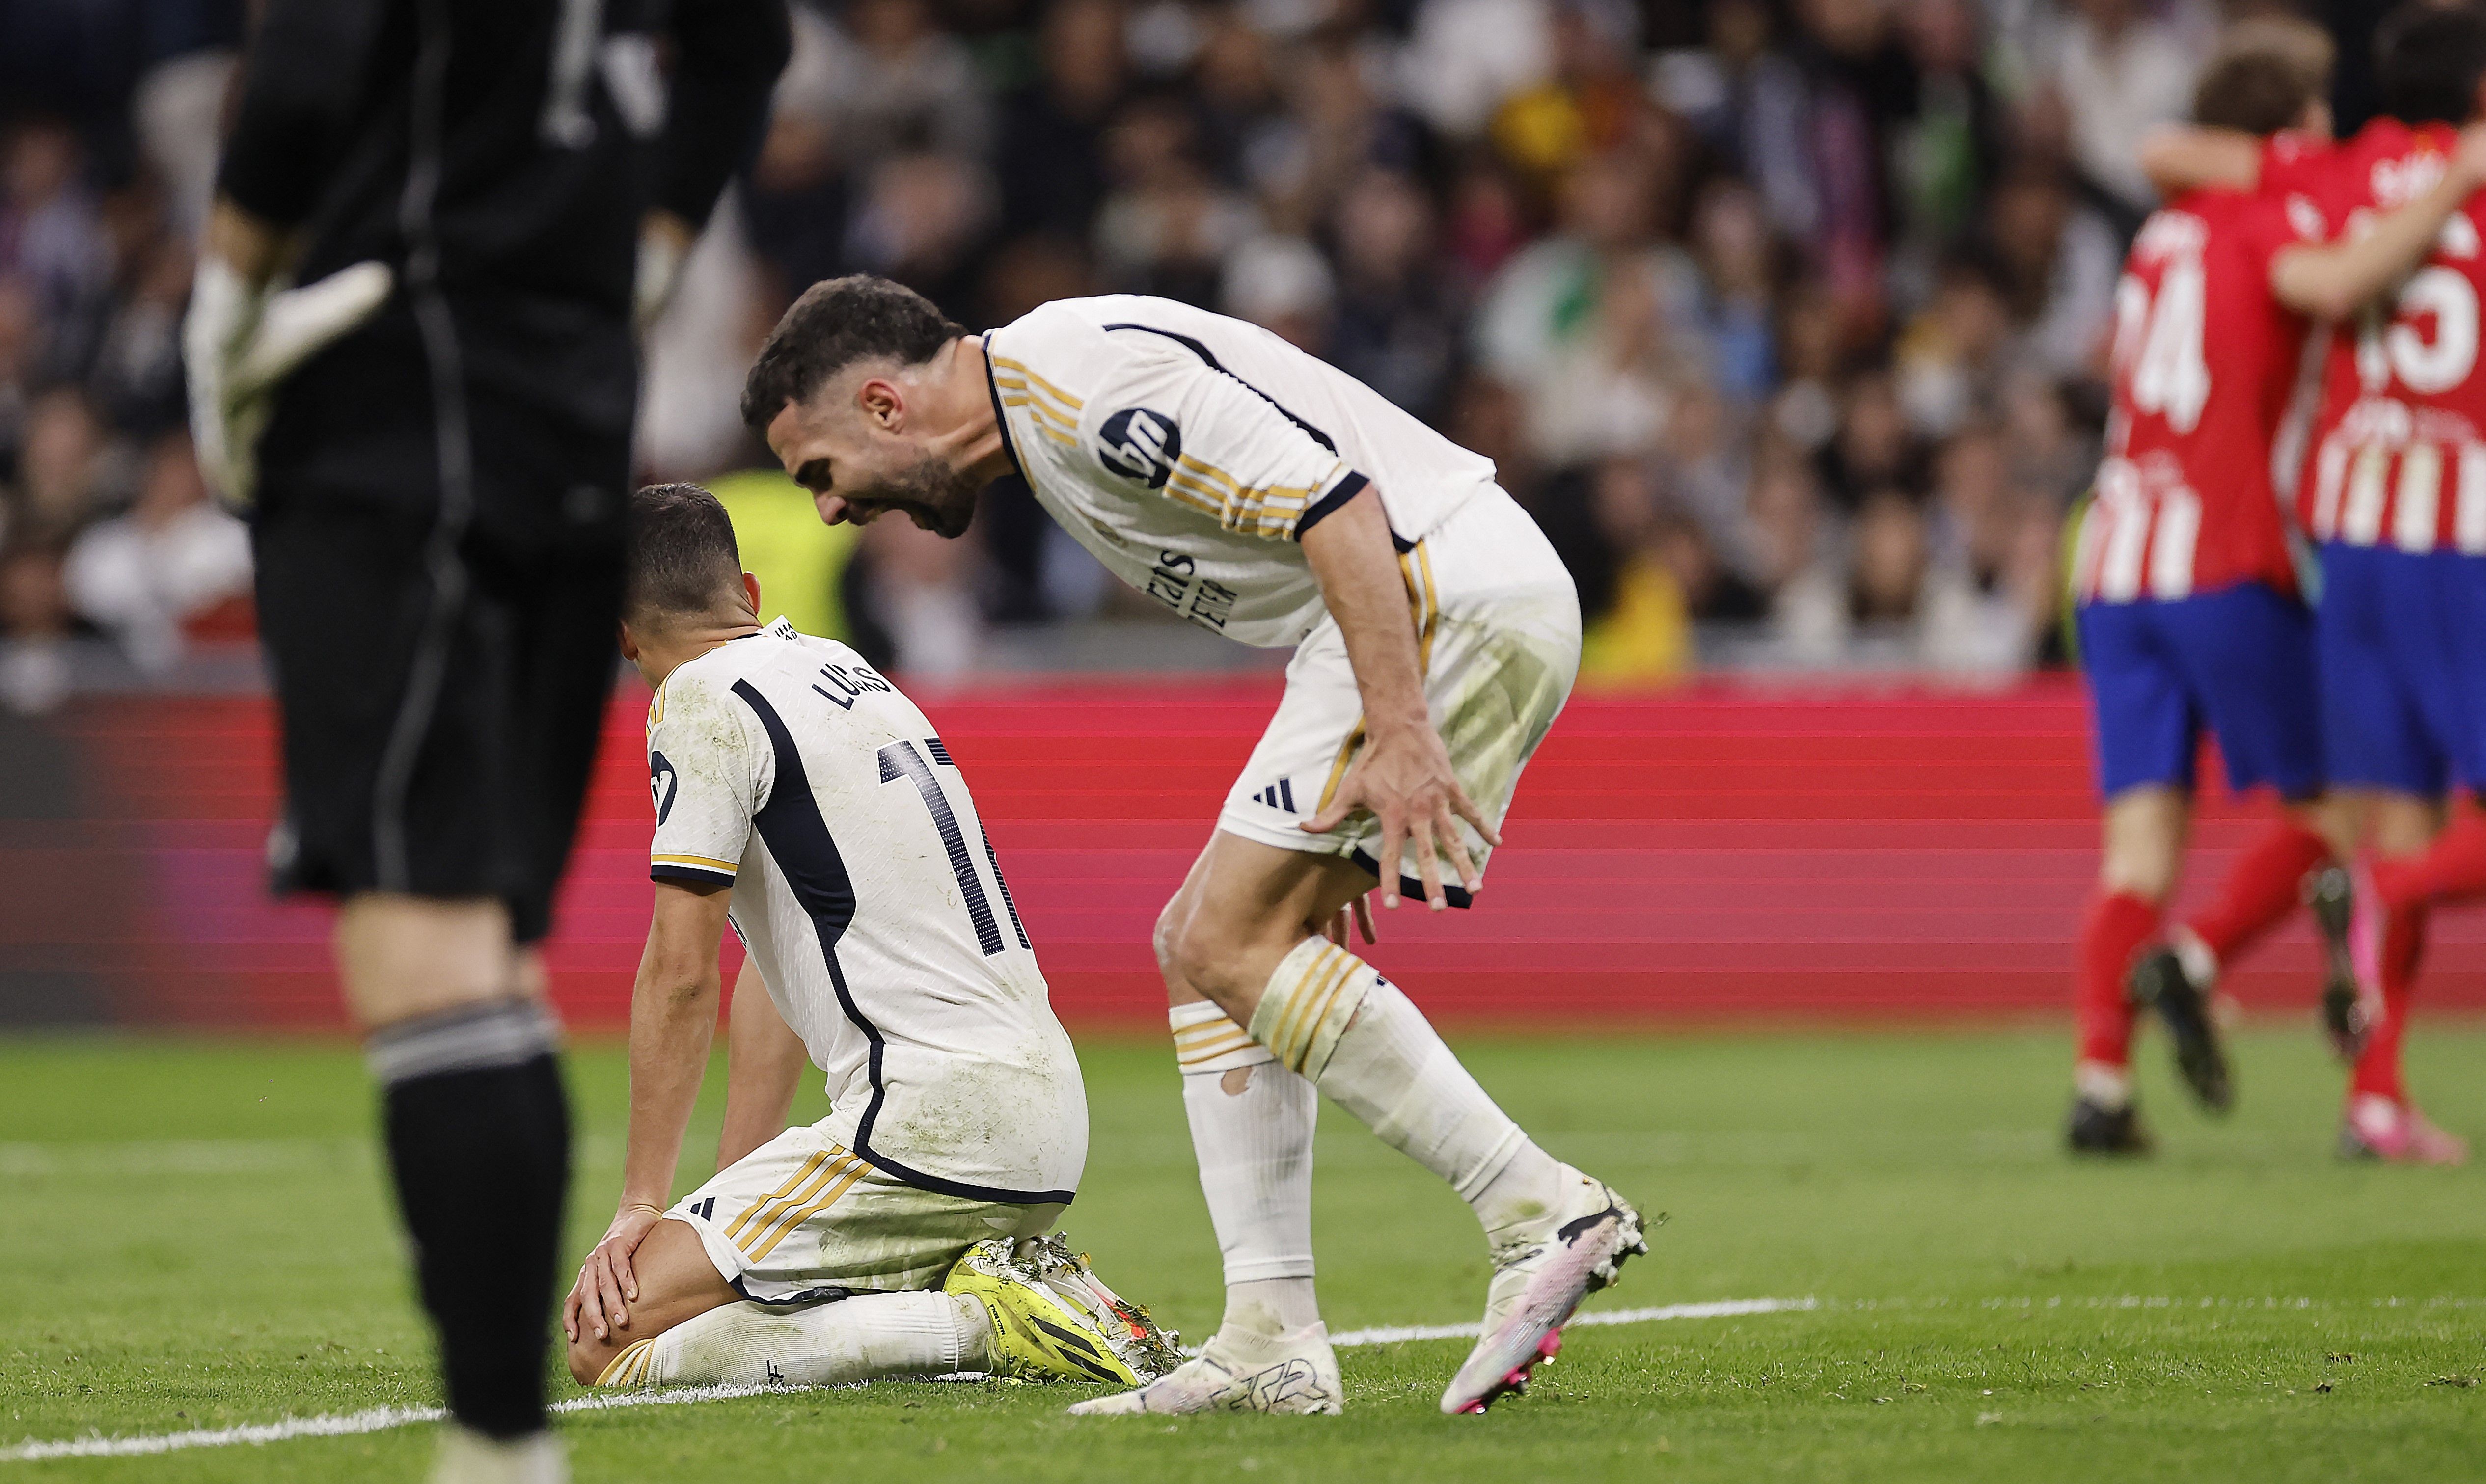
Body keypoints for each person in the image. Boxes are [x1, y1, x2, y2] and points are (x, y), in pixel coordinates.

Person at [738, 276, 1643, 1418]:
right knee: (1208, 947)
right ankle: (1270, 1334)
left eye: (819, 472)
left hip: (1432, 595)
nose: (829, 510)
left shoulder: (1082, 388)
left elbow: (1336, 504)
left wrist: (1400, 726)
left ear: (881, 406)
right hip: (1417, 606)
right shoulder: (1042, 415)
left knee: (1223, 934)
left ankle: (1538, 1207)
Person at [181, 4, 789, 1479]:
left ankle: (503, 1447)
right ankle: (502, 1442)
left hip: (392, 388)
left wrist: (224, 299)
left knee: (425, 949)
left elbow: (316, 62)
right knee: (485, 953)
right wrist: (637, 264)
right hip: (569, 419)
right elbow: (743, 43)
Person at [560, 482, 1176, 1395]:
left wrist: (642, 1205)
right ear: (753, 595)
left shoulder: (695, 699)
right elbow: (776, 971)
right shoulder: (849, 674)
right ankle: (1008, 1288)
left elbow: (679, 974)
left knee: (607, 1340)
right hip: (1040, 1112)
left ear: (620, 635)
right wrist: (730, 1200)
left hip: (924, 1130)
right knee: (724, 1293)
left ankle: (979, 1322)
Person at [2066, 21, 2486, 1155]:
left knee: (2139, 849)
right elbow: (2338, 277)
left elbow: (2164, 152)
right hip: (2257, 548)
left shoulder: (2184, 224)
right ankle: (2220, 958)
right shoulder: (2287, 216)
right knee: (2348, 825)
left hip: (2121, 554)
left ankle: (2107, 1085)